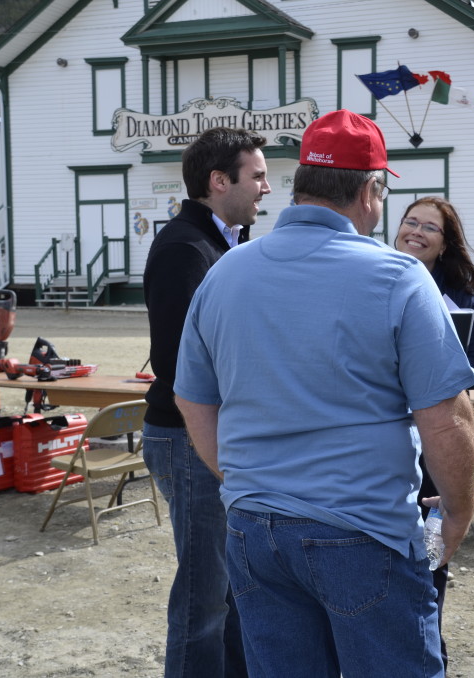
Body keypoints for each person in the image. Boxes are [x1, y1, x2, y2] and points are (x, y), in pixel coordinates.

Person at [173, 109, 474, 678]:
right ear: (370, 191)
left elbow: (193, 398)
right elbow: (446, 418)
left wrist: (244, 478)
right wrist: (460, 512)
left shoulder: (226, 272)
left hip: (254, 528)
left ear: (299, 187)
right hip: (362, 529)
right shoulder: (398, 276)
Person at [142, 126, 270, 677]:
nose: (267, 187)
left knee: (233, 589)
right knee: (203, 599)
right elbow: (180, 365)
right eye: (258, 175)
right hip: (189, 437)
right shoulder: (184, 248)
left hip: (214, 436)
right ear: (220, 181)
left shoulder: (223, 242)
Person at [393, 195, 474, 667]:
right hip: (389, 452)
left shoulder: (460, 296)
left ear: (445, 243)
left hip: (438, 456)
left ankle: (431, 650)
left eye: (429, 227)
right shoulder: (379, 278)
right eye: (410, 221)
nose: (416, 231)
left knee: (431, 563)